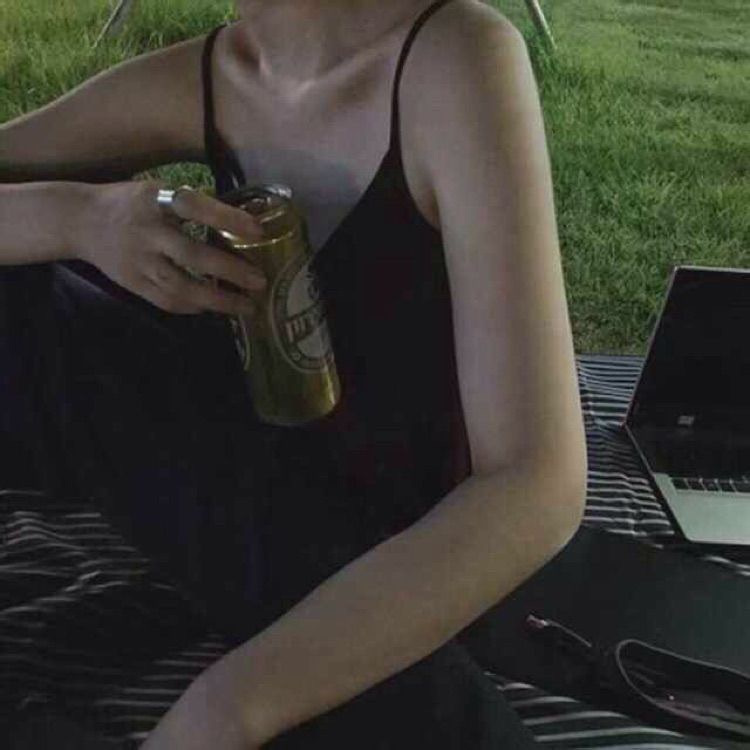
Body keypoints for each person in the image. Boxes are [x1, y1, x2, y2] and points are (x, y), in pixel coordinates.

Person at [0, 0, 588, 747]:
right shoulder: (219, 73)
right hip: (234, 492)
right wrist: (80, 219)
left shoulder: (453, 61)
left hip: (396, 568)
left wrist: (228, 706)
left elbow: (536, 483)